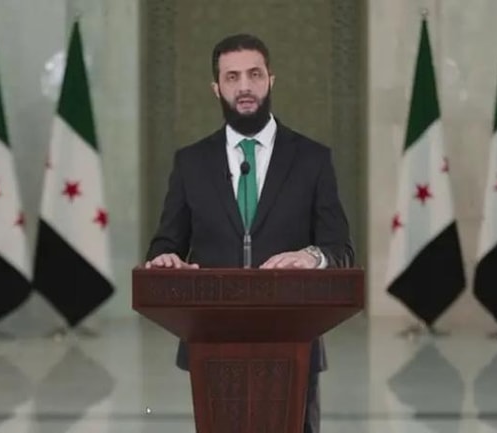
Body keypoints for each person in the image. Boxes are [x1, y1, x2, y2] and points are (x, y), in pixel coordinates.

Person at [144, 33, 354, 433]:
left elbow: (340, 248)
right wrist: (165, 259)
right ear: (216, 88)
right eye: (232, 77)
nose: (244, 86)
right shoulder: (191, 163)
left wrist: (311, 257)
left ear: (271, 80)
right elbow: (166, 242)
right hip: (212, 344)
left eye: (254, 74)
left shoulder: (312, 159)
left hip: (294, 340)